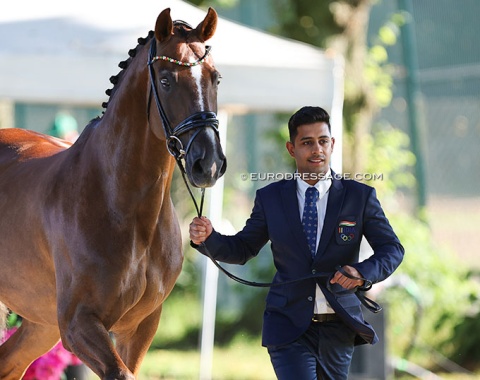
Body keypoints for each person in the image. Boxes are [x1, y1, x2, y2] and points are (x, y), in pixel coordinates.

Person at [189, 106, 404, 379]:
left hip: (339, 326)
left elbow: (392, 249)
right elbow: (243, 249)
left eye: (323, 141)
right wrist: (209, 239)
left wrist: (362, 273)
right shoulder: (270, 198)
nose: (317, 150)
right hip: (287, 325)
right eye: (307, 143)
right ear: (292, 149)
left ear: (332, 144)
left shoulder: (359, 197)